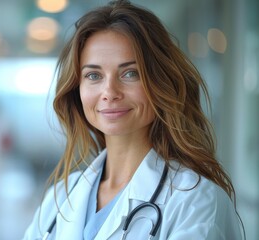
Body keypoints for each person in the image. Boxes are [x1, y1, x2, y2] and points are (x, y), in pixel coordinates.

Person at [23, 0, 244, 239]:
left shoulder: (194, 201)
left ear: (161, 83)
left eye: (130, 73)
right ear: (77, 88)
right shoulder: (62, 196)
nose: (109, 92)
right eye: (94, 75)